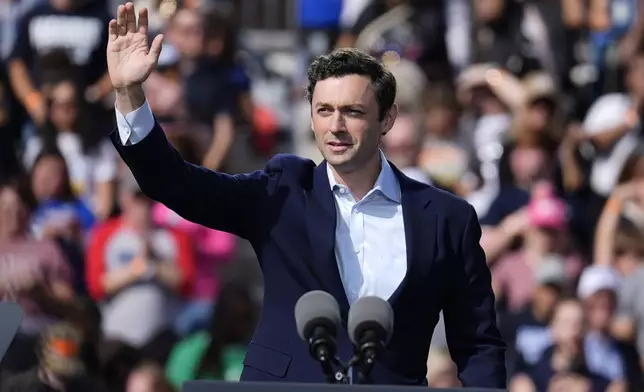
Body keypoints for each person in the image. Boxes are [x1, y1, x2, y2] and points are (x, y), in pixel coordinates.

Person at [105, 3, 506, 387]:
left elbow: (478, 343)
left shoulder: (446, 218)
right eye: (324, 110)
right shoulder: (282, 192)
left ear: (387, 118)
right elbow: (176, 184)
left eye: (352, 111)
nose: (336, 126)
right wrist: (129, 96)